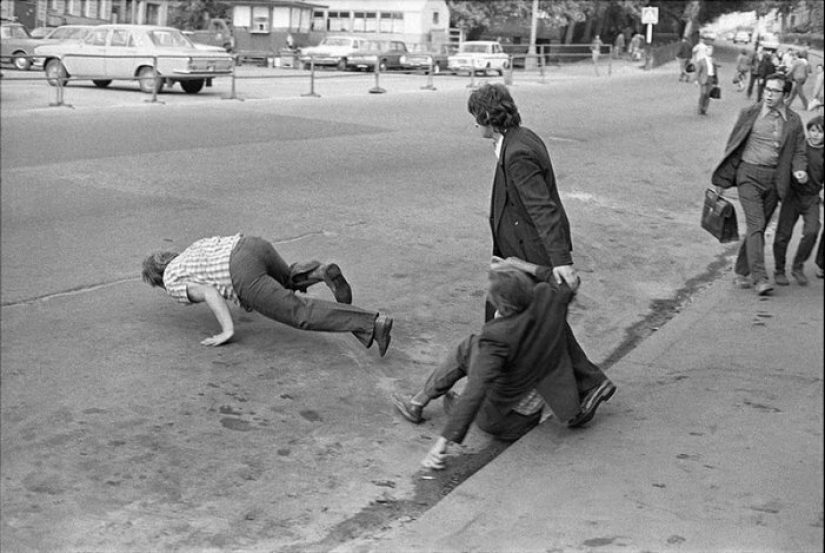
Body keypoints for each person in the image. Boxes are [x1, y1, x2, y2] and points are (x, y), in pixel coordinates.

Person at [464, 83, 614, 425]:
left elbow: (541, 208)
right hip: (517, 250)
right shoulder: (519, 139)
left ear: (488, 117)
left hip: (531, 254)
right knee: (531, 323)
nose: (474, 124)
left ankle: (514, 398)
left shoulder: (517, 153)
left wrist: (561, 263)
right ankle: (583, 386)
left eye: (476, 117)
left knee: (524, 328)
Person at [391, 259, 616, 470]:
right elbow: (563, 281)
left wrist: (442, 443)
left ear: (501, 304)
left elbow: (475, 391)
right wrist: (517, 263)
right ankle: (430, 403)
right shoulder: (547, 298)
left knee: (468, 347)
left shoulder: (497, 337)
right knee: (481, 361)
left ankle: (418, 402)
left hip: (501, 422)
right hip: (530, 414)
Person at [141, 234, 393, 354]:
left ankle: (372, 324)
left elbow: (209, 292)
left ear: (156, 279)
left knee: (298, 312)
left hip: (241, 272)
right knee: (283, 282)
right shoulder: (189, 252)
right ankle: (320, 272)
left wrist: (227, 330)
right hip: (251, 245)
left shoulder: (171, 281)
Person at [711, 73, 808, 295]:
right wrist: (723, 181)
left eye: (775, 91)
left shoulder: (793, 121)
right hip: (748, 175)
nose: (769, 94)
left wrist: (799, 169)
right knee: (755, 224)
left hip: (775, 180)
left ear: (785, 95)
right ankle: (760, 277)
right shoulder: (749, 114)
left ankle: (740, 271)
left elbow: (799, 150)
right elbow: (733, 146)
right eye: (767, 89)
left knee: (760, 227)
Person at [772, 116, 824, 286]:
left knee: (812, 230)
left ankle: (798, 266)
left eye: (820, 131)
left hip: (812, 197)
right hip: (793, 195)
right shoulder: (801, 146)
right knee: (783, 234)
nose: (815, 134)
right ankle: (779, 269)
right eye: (813, 130)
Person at [696, 45, 719, 116]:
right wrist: (696, 80)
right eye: (709, 50)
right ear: (705, 51)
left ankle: (705, 109)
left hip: (711, 78)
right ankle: (700, 108)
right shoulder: (701, 61)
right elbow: (698, 72)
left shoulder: (713, 60)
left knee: (708, 95)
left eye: (711, 51)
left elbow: (715, 70)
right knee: (703, 94)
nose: (710, 52)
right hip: (703, 79)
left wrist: (716, 80)